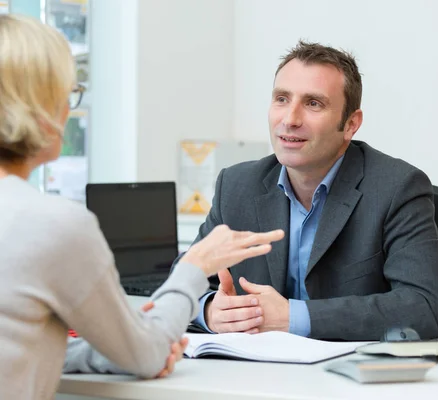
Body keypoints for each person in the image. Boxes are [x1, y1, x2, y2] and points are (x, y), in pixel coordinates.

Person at [0, 14, 284, 400]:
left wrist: (108, 355)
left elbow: (22, 343)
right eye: (66, 95)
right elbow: (149, 353)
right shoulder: (51, 224)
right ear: (38, 109)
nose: (68, 109)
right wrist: (195, 267)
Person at [179, 40, 438, 341]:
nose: (290, 119)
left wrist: (291, 317)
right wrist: (209, 311)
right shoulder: (237, 185)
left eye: (313, 104)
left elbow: (425, 309)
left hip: (351, 379)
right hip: (255, 376)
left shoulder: (396, 188)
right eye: (281, 99)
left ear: (350, 124)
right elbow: (183, 279)